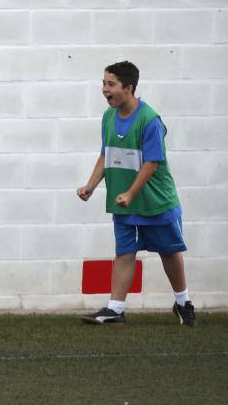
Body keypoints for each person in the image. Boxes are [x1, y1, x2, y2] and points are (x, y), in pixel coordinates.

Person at [77, 61, 195, 326]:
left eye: (110, 84)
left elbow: (151, 164)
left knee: (169, 252)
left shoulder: (150, 121)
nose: (104, 90)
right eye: (103, 83)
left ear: (128, 88)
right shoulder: (108, 117)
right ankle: (115, 310)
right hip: (124, 202)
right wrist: (90, 186)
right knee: (125, 253)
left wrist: (131, 193)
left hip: (155, 203)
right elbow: (106, 154)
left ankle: (183, 303)